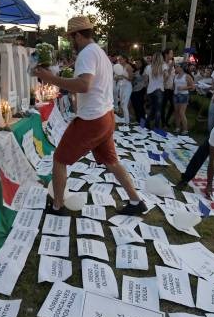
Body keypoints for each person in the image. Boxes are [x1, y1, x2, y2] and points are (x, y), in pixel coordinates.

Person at [35, 16, 145, 215]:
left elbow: (84, 85)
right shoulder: (100, 53)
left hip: (92, 119)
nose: (70, 42)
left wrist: (51, 78)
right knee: (112, 161)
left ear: (77, 36)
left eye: (70, 38)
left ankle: (58, 206)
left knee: (60, 159)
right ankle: (137, 201)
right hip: (106, 116)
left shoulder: (87, 54)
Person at [172, 63, 194, 134]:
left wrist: (184, 87)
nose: (176, 68)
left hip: (184, 95)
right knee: (176, 112)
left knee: (181, 113)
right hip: (176, 95)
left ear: (181, 68)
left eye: (177, 67)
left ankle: (185, 129)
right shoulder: (175, 76)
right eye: (175, 67)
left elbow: (193, 87)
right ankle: (177, 128)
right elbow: (174, 86)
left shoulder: (187, 76)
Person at [144, 52, 165, 128]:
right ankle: (156, 127)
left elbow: (145, 79)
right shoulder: (163, 66)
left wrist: (147, 87)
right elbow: (166, 76)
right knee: (158, 110)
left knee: (152, 108)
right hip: (159, 89)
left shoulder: (148, 67)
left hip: (150, 90)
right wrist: (163, 82)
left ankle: (147, 124)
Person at [115, 55, 134, 123]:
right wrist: (117, 78)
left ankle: (127, 122)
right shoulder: (119, 67)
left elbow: (131, 78)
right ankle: (125, 118)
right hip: (121, 86)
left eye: (121, 59)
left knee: (124, 104)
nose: (119, 61)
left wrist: (123, 76)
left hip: (127, 87)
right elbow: (118, 77)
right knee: (122, 104)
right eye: (118, 59)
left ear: (125, 59)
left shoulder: (128, 66)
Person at [130, 58, 148, 126]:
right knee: (135, 106)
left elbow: (146, 81)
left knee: (140, 107)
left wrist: (146, 92)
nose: (137, 64)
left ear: (142, 64)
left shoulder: (144, 71)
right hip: (134, 90)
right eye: (136, 63)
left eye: (138, 63)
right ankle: (138, 120)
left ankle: (143, 123)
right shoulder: (136, 71)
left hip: (141, 90)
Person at [161, 48, 175, 127]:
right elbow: (164, 78)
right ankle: (163, 122)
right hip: (164, 88)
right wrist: (170, 67)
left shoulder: (171, 63)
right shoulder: (163, 64)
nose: (172, 55)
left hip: (171, 88)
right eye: (171, 53)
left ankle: (166, 120)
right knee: (163, 105)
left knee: (173, 105)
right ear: (166, 54)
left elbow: (173, 76)